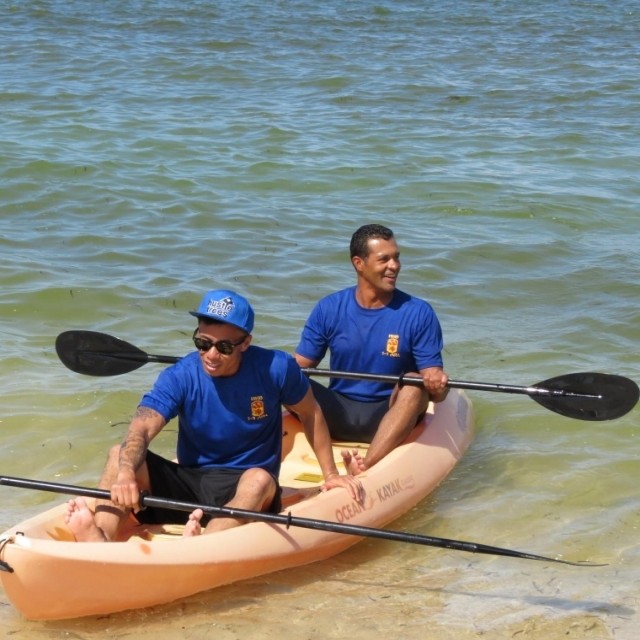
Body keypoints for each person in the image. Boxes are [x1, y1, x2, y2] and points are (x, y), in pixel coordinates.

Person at [65, 289, 362, 542]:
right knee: (119, 454)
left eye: (224, 347)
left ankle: (204, 545)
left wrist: (331, 475)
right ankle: (98, 538)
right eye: (203, 343)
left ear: (245, 343)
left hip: (246, 487)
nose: (211, 355)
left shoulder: (276, 368)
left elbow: (310, 414)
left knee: (259, 478)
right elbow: (141, 427)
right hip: (189, 482)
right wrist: (128, 473)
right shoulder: (180, 375)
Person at [294, 224, 449, 476]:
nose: (395, 266)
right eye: (384, 259)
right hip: (337, 412)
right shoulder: (329, 307)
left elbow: (436, 390)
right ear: (359, 263)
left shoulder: (418, 312)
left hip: (387, 413)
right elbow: (301, 364)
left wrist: (438, 385)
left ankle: (367, 466)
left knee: (414, 382)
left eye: (397, 257)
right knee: (284, 374)